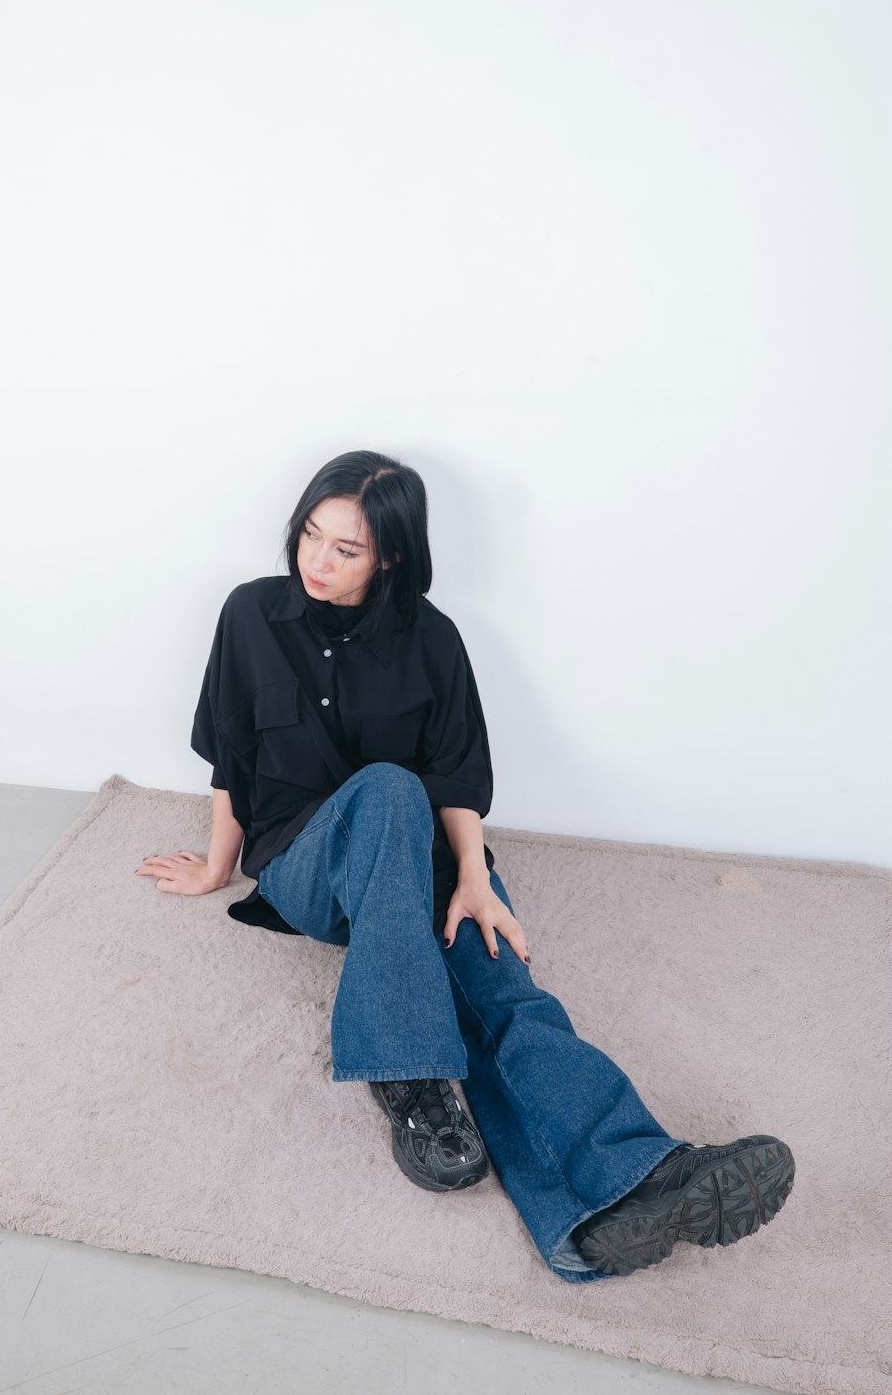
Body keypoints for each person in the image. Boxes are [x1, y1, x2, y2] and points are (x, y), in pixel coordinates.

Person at [136, 449, 795, 1282]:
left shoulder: (433, 639)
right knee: (384, 790)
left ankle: (628, 1186)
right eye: (310, 536)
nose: (317, 561)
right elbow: (231, 757)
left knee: (502, 988)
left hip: (422, 862)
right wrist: (216, 866)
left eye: (347, 549)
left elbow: (453, 778)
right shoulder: (249, 616)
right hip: (306, 866)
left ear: (392, 557)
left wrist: (476, 882)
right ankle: (411, 1074)